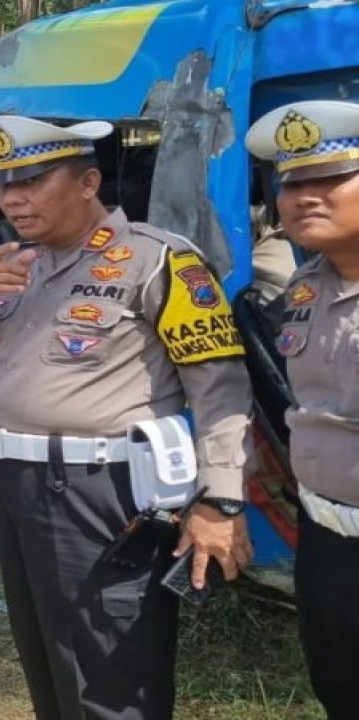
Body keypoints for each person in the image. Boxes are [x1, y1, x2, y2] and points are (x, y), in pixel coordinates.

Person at [0, 115, 254, 720]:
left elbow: (219, 389)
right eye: (4, 185)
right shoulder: (15, 263)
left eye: (31, 181)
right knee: (48, 653)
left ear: (87, 182)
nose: (12, 198)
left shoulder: (157, 261)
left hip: (97, 492)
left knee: (110, 665)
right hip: (12, 483)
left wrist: (221, 498)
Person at [247, 100, 359, 719]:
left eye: (330, 178)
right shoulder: (304, 288)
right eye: (291, 182)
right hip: (326, 541)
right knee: (339, 691)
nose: (303, 197)